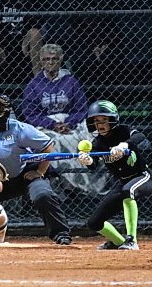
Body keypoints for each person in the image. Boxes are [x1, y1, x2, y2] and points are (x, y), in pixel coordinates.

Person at [0, 92, 72, 245]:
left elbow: (48, 146)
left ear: (7, 109)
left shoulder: (18, 128)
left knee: (43, 194)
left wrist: (39, 171)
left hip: (23, 176)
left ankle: (61, 233)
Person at [22, 44, 107, 195]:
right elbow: (31, 113)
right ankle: (63, 185)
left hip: (70, 122)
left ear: (61, 60)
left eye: (54, 59)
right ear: (41, 61)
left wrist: (69, 123)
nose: (50, 62)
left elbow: (81, 108)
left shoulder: (71, 81)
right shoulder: (34, 85)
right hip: (46, 124)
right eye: (46, 59)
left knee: (83, 138)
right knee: (52, 141)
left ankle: (85, 186)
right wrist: (52, 124)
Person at [77, 100, 152, 250]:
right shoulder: (98, 142)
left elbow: (140, 136)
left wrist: (124, 144)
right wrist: (86, 160)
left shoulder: (123, 131)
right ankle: (119, 241)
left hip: (142, 176)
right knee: (94, 223)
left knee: (128, 191)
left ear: (112, 120)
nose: (100, 124)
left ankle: (132, 240)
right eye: (96, 121)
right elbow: (92, 165)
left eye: (104, 120)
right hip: (122, 183)